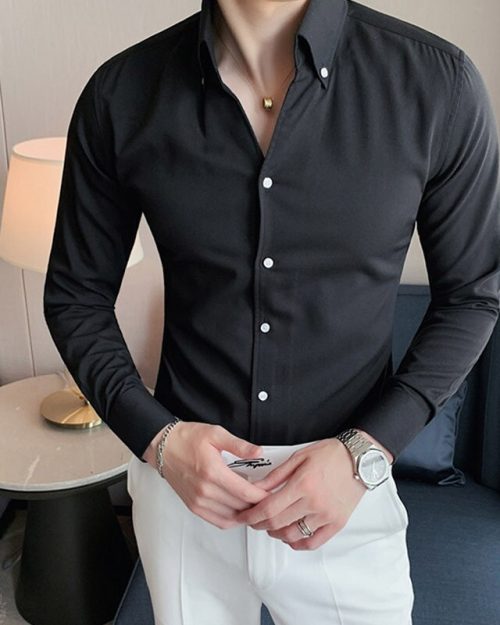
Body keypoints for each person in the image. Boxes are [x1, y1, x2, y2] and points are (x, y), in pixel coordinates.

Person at [43, 0, 500, 624]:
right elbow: (76, 295)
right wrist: (157, 440)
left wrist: (364, 453)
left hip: (346, 497)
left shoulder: (436, 83)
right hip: (184, 489)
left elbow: (473, 294)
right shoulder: (121, 93)